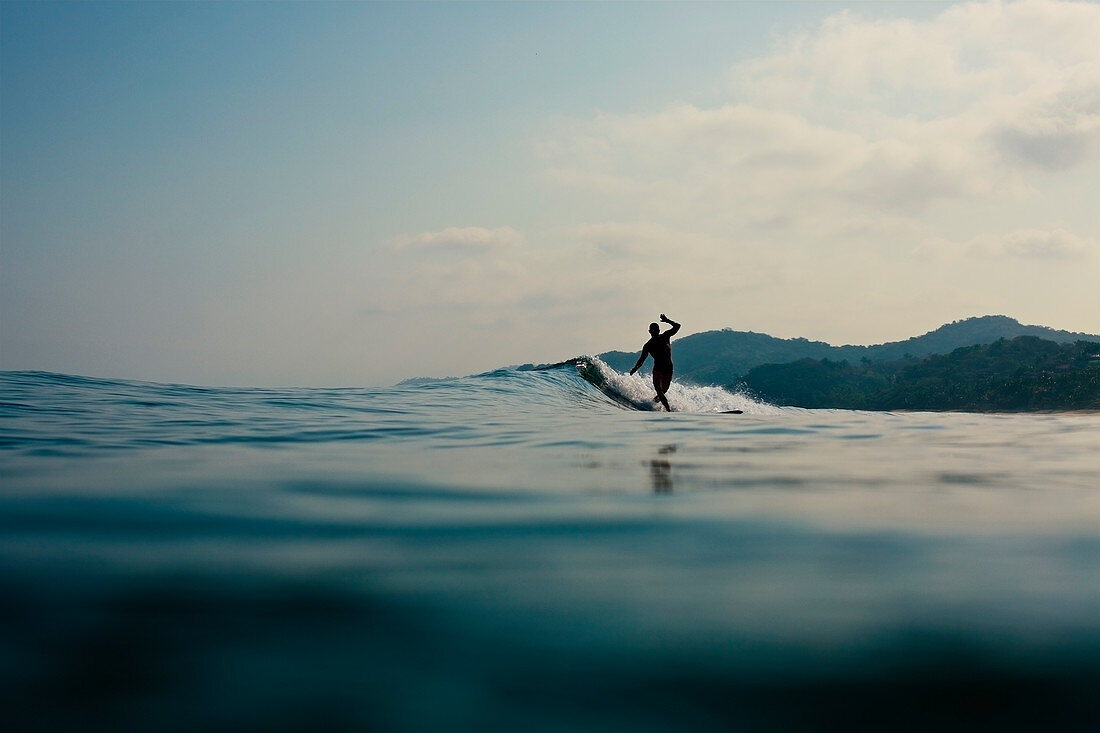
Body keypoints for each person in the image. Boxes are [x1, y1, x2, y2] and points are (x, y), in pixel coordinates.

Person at [629, 314, 680, 411]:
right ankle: (668, 410)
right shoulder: (648, 345)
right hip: (658, 369)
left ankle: (651, 404)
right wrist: (635, 368)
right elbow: (641, 359)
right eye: (652, 331)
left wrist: (667, 320)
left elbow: (678, 326)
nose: (654, 332)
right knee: (659, 390)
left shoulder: (665, 336)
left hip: (668, 368)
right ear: (649, 332)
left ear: (659, 331)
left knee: (663, 391)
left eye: (655, 331)